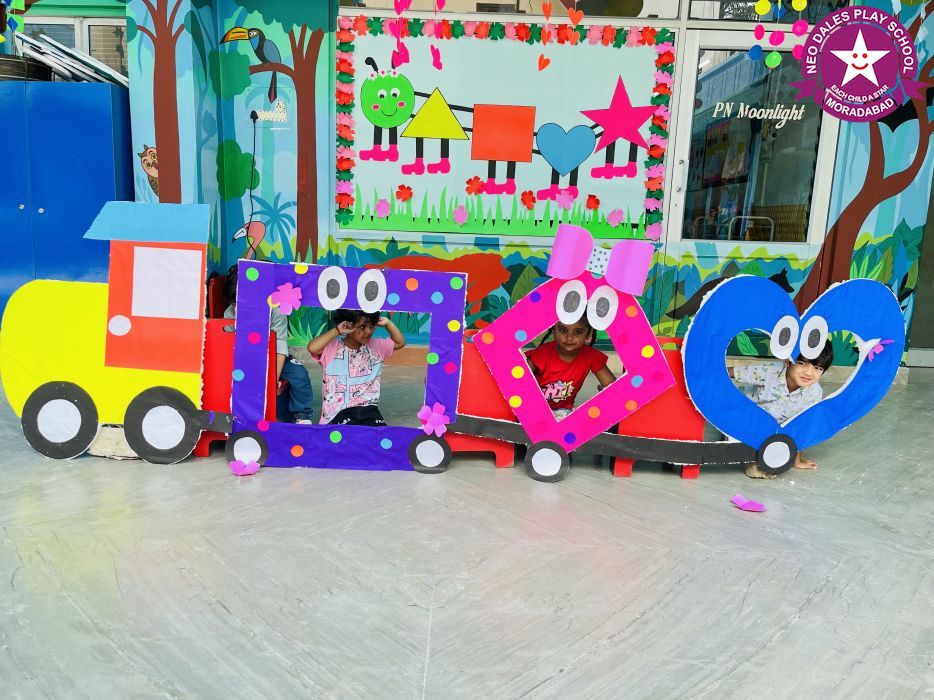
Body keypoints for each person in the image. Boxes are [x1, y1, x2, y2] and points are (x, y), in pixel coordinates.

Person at [729, 340, 834, 478]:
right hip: (743, 417)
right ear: (787, 360)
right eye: (802, 363)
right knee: (749, 434)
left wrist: (796, 461)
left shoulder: (814, 392)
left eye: (817, 368)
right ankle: (752, 462)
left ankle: (760, 457)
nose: (809, 372)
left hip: (774, 429)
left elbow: (800, 425)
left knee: (779, 446)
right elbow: (730, 373)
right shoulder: (768, 371)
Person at [223, 265, 315, 423]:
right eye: (235, 303)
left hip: (274, 356)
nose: (240, 307)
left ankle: (302, 416)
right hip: (246, 360)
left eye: (246, 301)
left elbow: (280, 349)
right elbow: (228, 347)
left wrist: (273, 380)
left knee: (300, 375)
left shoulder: (276, 311)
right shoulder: (230, 313)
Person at [306, 308, 405, 426]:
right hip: (338, 413)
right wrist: (337, 330)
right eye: (362, 327)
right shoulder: (332, 349)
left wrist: (388, 323)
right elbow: (312, 348)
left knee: (381, 436)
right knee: (347, 436)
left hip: (370, 411)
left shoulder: (377, 346)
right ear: (348, 325)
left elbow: (400, 342)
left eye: (372, 326)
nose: (368, 331)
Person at [526, 316, 616, 419]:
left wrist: (607, 392)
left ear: (588, 334)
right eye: (562, 330)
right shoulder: (543, 352)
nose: (569, 338)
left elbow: (614, 388)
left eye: (578, 332)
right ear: (553, 330)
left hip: (563, 411)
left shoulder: (592, 356)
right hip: (532, 407)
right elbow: (518, 378)